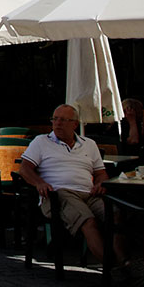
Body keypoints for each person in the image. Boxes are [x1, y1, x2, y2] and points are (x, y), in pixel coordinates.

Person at [17, 104, 125, 270]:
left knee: (117, 215)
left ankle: (125, 262)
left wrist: (100, 184)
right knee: (88, 221)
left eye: (63, 120)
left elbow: (100, 173)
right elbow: (24, 169)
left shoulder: (89, 144)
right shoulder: (41, 142)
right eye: (55, 119)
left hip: (89, 193)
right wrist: (39, 183)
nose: (58, 123)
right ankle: (115, 269)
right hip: (58, 194)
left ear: (75, 124)